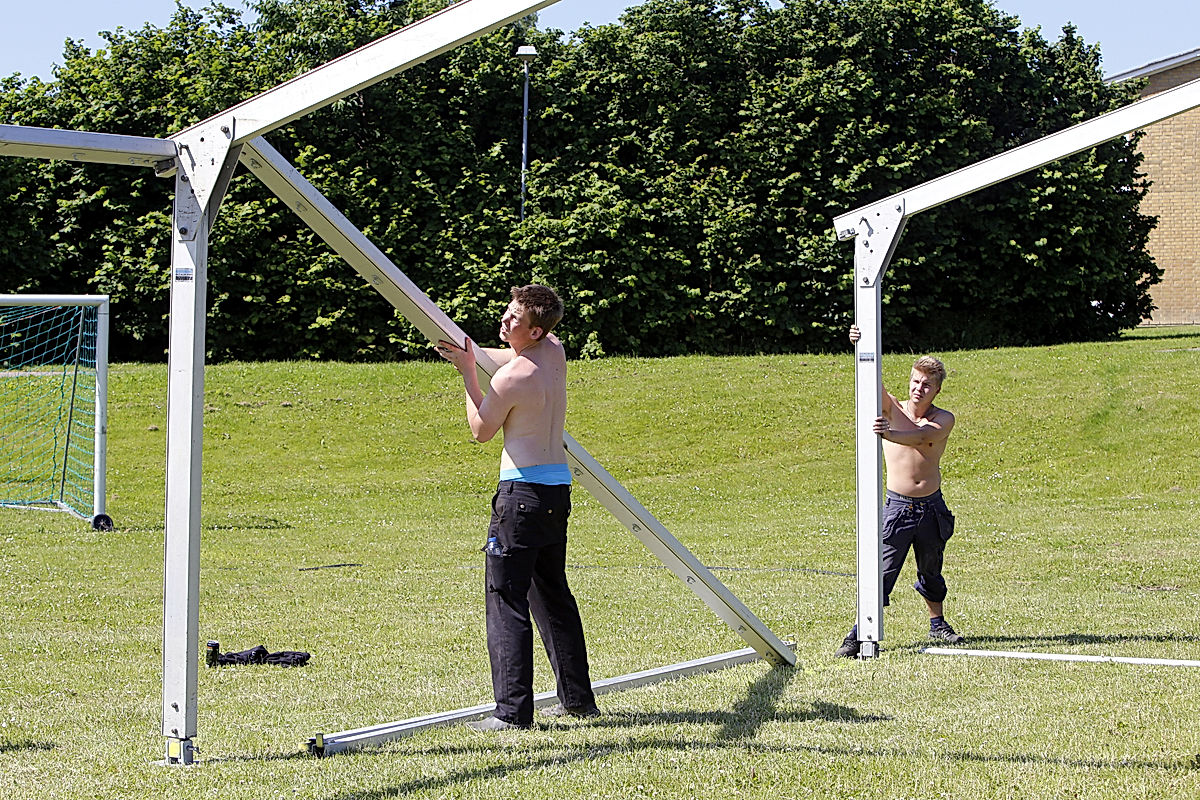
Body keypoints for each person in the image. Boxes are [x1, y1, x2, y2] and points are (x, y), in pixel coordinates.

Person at [435, 284, 599, 729]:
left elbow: (481, 430)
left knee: (506, 600)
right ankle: (579, 701)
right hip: (555, 494)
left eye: (515, 320)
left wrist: (468, 374)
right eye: (508, 314)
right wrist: (471, 351)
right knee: (552, 596)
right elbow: (510, 353)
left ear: (536, 329)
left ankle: (511, 715)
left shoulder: (511, 380)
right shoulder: (554, 351)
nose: (506, 322)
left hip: (520, 498)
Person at [836, 325, 965, 658]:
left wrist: (889, 433)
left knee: (931, 569)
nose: (919, 389)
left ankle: (938, 624)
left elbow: (922, 438)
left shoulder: (943, 419)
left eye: (927, 385)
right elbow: (870, 382)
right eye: (915, 381)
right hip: (898, 507)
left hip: (931, 508)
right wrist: (858, 346)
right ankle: (858, 633)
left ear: (937, 390)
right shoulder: (893, 408)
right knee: (882, 571)